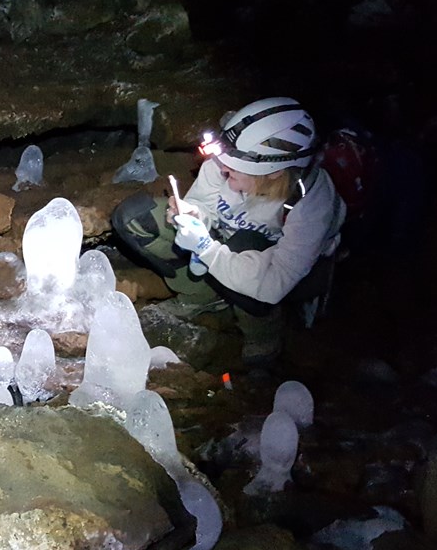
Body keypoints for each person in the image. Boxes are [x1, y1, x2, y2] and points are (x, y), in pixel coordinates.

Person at [112, 97, 347, 364]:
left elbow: (273, 282)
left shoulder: (312, 203)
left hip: (284, 274)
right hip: (224, 244)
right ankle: (202, 297)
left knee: (244, 243)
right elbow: (205, 203)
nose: (221, 168)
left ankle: (263, 332)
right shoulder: (226, 161)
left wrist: (205, 248)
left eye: (232, 169)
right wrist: (194, 214)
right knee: (135, 218)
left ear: (272, 173)